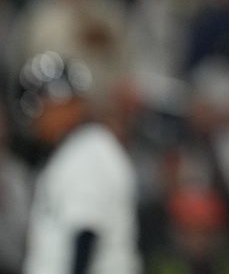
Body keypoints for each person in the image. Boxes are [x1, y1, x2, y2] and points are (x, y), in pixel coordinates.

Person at [15, 50, 142, 274]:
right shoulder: (74, 151)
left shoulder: (89, 151)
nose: (36, 117)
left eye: (45, 104)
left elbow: (85, 233)